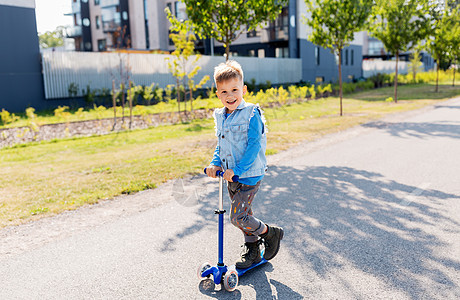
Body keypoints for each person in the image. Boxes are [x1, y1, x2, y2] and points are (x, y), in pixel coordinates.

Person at [205, 60, 284, 269]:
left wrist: (237, 170)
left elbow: (253, 146)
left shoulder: (251, 113)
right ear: (217, 94)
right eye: (223, 92)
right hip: (231, 176)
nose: (229, 96)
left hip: (248, 175)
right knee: (244, 215)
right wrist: (214, 164)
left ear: (244, 89)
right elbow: (221, 145)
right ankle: (253, 252)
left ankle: (270, 233)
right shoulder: (221, 116)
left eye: (234, 90)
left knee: (238, 217)